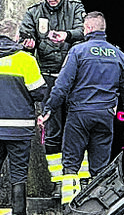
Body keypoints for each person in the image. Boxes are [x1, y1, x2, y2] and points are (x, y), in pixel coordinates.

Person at [39, 12, 124, 204]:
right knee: (100, 169)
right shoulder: (118, 54)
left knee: (70, 165)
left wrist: (49, 110)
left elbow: (62, 86)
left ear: (89, 29)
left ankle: (68, 210)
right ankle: (96, 211)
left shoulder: (78, 52)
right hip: (105, 115)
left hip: (79, 115)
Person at [0, 18, 48, 215]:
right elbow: (40, 92)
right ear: (17, 36)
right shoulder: (26, 61)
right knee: (18, 173)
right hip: (20, 128)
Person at [19, 0, 86, 188]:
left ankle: (80, 179)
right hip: (47, 76)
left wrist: (66, 35)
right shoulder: (34, 12)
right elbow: (25, 35)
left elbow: (83, 31)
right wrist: (27, 43)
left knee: (77, 127)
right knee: (52, 130)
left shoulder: (75, 7)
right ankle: (58, 182)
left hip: (73, 77)